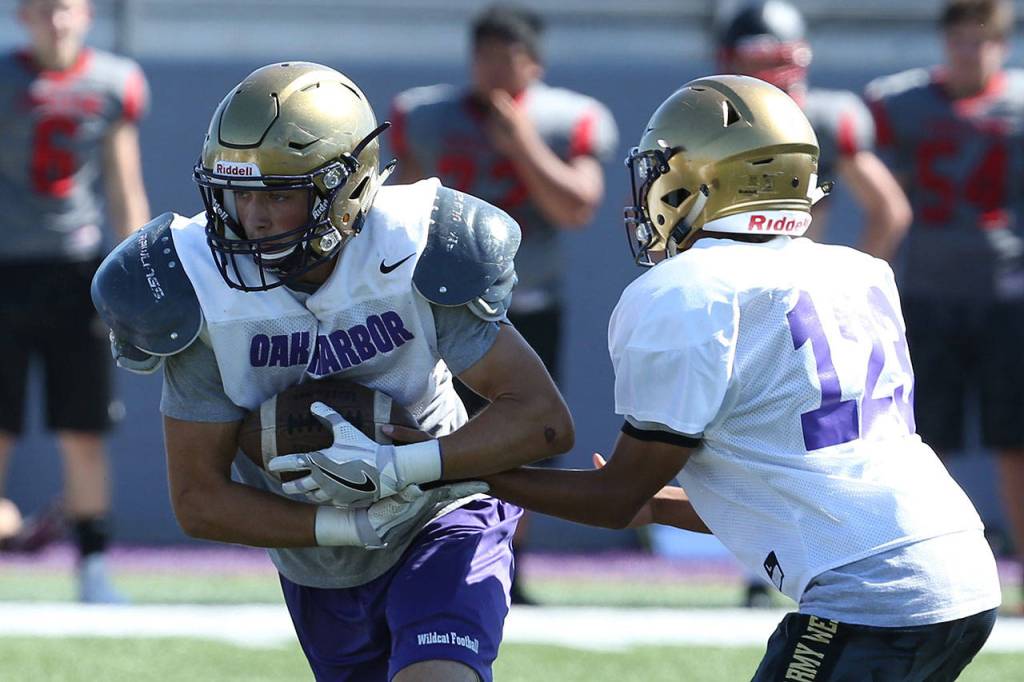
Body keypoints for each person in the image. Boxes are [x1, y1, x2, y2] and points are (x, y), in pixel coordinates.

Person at [455, 75, 1001, 680]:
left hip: (875, 596)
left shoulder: (690, 292)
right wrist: (659, 507)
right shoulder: (858, 271)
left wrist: (463, 468)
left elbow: (613, 500)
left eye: (661, 172)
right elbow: (800, 490)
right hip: (958, 565)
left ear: (703, 179)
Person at [92, 62, 573, 682]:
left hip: (441, 513)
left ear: (346, 192)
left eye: (280, 193)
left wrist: (406, 468)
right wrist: (347, 525)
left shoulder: (411, 246)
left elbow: (543, 420)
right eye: (239, 193)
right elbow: (197, 498)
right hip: (315, 561)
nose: (255, 217)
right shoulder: (199, 288)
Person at [390, 3, 617, 603]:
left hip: (527, 301)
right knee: (430, 423)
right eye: (484, 54)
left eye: (507, 55)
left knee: (524, 430)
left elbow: (577, 207)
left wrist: (520, 141)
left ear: (535, 63)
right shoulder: (428, 115)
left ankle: (513, 562)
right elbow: (398, 202)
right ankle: (422, 549)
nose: (492, 68)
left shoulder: (566, 120)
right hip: (438, 305)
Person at [717, 0, 913, 608]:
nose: (774, 73)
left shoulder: (825, 116)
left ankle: (827, 555)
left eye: (781, 60)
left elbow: (889, 210)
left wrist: (839, 283)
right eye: (759, 61)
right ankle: (763, 564)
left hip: (792, 303)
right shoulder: (710, 115)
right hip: (731, 292)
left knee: (810, 432)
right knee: (737, 432)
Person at [865, 0, 1024, 613]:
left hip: (1007, 296)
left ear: (1002, 46)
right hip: (929, 295)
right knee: (926, 443)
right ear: (943, 41)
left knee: (1016, 441)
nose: (968, 52)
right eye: (959, 39)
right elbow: (885, 194)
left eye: (981, 41)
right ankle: (936, 568)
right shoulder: (902, 104)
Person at [0, 0, 149, 602]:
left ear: (84, 14)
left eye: (62, 9)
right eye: (41, 10)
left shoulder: (113, 82)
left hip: (79, 274)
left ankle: (92, 567)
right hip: (5, 269)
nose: (54, 22)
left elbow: (122, 181)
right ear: (22, 17)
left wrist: (136, 270)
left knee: (83, 430)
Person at [717, 0, 911, 260]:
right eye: (752, 61)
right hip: (727, 270)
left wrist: (852, 284)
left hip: (796, 272)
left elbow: (890, 211)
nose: (761, 74)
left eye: (772, 61)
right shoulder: (714, 120)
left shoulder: (821, 121)